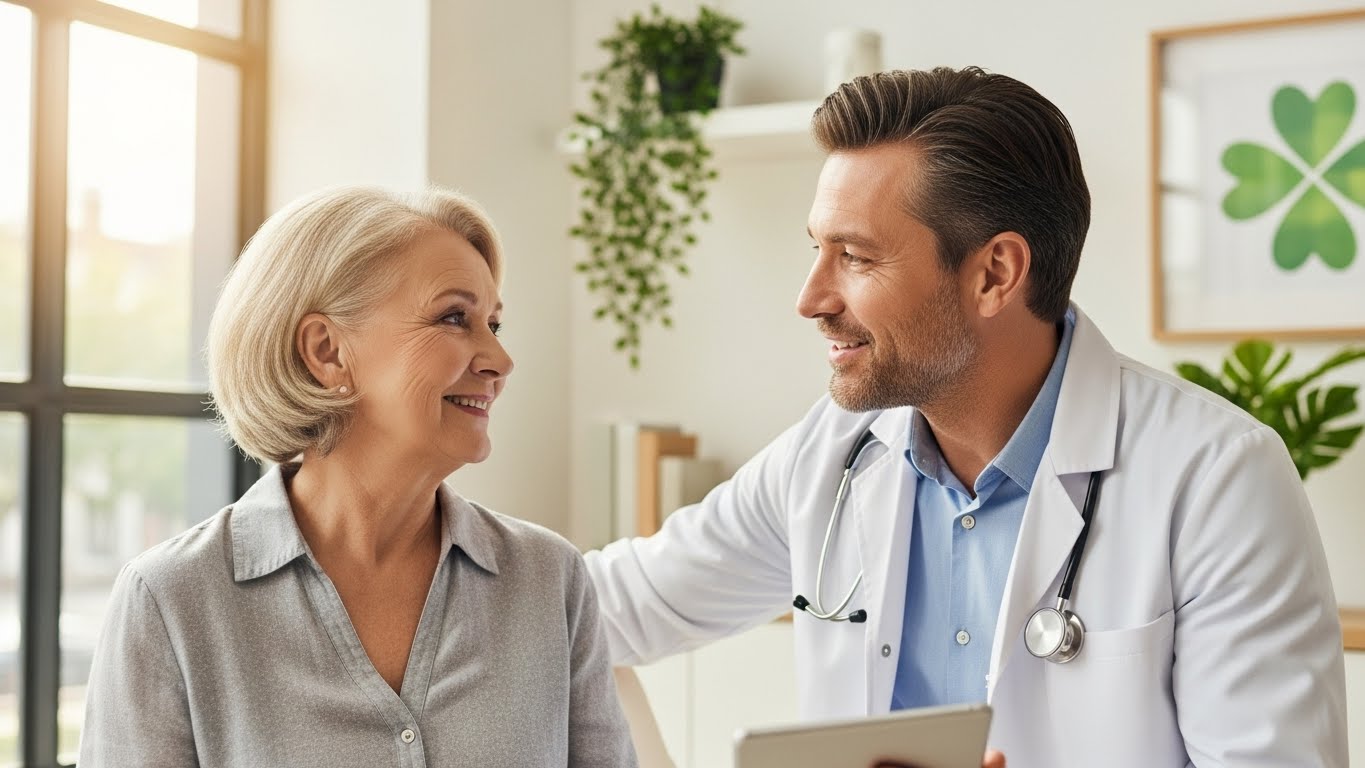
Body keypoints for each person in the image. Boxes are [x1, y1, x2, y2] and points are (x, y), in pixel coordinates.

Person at [585, 67, 1347, 766]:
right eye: (817, 250)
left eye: (853, 256)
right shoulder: (833, 455)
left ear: (994, 273)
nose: (811, 298)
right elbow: (600, 609)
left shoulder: (1215, 477)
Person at [79, 186, 637, 767]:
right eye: (454, 318)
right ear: (327, 351)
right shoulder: (173, 601)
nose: (499, 360)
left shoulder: (551, 582)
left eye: (493, 325)